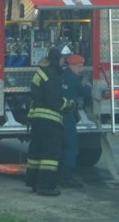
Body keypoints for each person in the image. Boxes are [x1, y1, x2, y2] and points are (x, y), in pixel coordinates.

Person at [24, 43, 73, 196]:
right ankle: (45, 186)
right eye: (63, 60)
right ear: (56, 59)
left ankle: (33, 182)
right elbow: (55, 102)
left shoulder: (42, 70)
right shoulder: (52, 76)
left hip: (37, 117)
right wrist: (69, 104)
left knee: (36, 150)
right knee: (50, 154)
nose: (64, 62)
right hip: (49, 119)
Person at [59, 53, 92, 188]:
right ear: (71, 66)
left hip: (55, 115)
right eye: (79, 66)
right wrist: (87, 84)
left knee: (59, 145)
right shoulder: (75, 80)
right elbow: (87, 94)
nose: (81, 69)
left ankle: (58, 173)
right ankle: (67, 177)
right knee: (71, 146)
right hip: (67, 116)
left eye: (82, 66)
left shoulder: (61, 75)